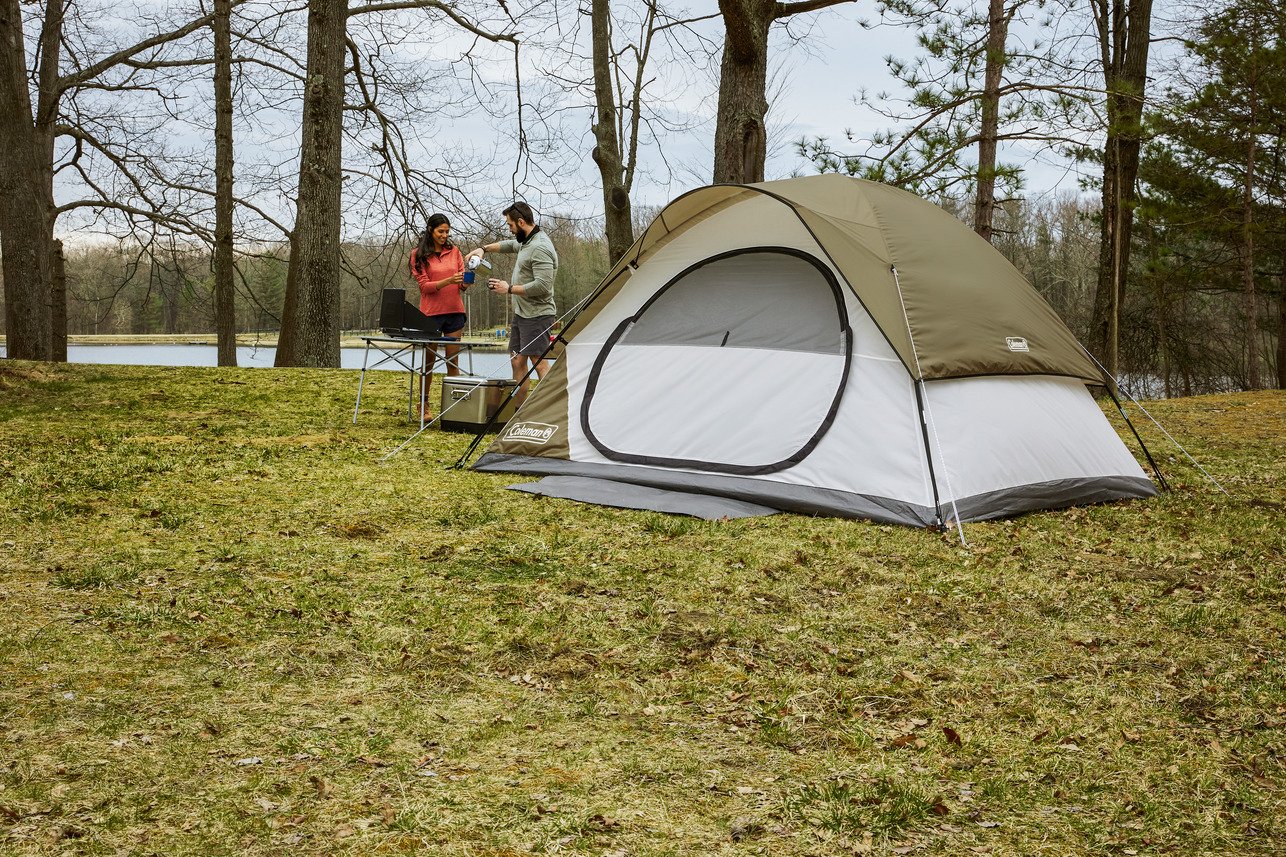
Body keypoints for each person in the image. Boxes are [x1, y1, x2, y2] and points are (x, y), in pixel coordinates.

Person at [466, 202, 558, 409]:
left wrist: (509, 288)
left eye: (510, 225)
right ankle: (520, 411)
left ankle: (552, 410)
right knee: (517, 361)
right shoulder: (527, 240)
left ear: (521, 222)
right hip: (522, 314)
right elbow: (509, 245)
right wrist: (483, 249)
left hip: (538, 314)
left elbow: (543, 286)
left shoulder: (540, 247)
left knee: (538, 361)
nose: (508, 228)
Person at [409, 213, 468, 420]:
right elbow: (425, 287)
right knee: (429, 362)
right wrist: (448, 279)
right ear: (430, 230)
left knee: (452, 361)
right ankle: (423, 404)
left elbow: (461, 283)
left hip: (455, 312)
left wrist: (465, 281)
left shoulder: (455, 252)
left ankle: (455, 406)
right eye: (440, 231)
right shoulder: (418, 255)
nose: (444, 235)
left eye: (447, 231)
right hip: (430, 315)